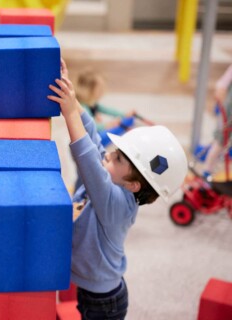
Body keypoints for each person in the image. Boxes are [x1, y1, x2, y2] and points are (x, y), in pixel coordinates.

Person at [48, 60, 188, 319]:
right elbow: (92, 136)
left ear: (133, 184)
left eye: (120, 159)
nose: (110, 155)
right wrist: (73, 98)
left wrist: (68, 114)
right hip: (92, 289)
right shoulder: (116, 180)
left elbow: (88, 158)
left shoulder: (117, 203)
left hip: (104, 302)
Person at [74, 67, 134, 133]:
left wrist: (124, 114)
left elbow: (108, 110)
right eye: (100, 89)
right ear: (88, 90)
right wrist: (108, 125)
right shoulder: (83, 107)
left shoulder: (91, 102)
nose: (103, 91)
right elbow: (91, 126)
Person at [203, 64, 232, 180]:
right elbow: (221, 85)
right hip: (228, 113)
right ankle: (207, 172)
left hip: (227, 111)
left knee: (220, 144)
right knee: (220, 142)